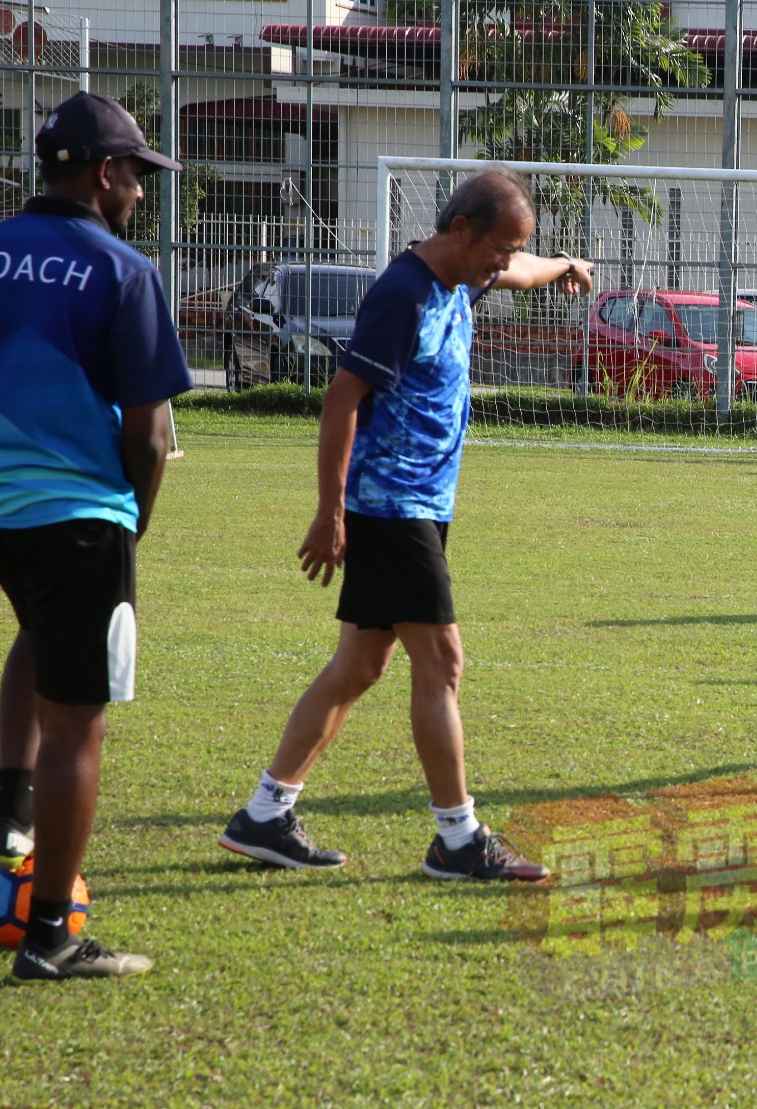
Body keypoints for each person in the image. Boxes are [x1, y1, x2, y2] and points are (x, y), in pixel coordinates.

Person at [218, 169, 593, 880]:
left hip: (422, 504)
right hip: (392, 507)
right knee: (443, 661)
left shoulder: (462, 276)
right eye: (501, 248)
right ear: (460, 231)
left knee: (360, 664)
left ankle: (263, 816)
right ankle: (458, 838)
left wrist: (564, 265)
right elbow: (340, 402)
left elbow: (520, 277)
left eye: (516, 250)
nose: (505, 263)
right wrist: (330, 512)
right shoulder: (402, 295)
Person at [0, 91, 193, 979]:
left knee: (39, 634)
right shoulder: (122, 270)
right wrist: (135, 520)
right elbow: (151, 435)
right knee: (81, 719)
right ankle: (50, 940)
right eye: (138, 179)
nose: (142, 198)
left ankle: (14, 810)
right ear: (104, 172)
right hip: (77, 514)